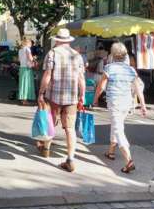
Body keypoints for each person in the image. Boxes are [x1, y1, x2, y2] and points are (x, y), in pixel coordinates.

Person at [94, 42, 147, 174]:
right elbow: (138, 89)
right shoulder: (131, 70)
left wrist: (95, 99)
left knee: (118, 129)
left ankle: (128, 160)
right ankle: (111, 152)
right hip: (127, 103)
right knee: (117, 125)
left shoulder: (109, 68)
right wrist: (143, 105)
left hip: (115, 102)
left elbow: (101, 86)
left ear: (112, 54)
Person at [38, 28, 85, 172]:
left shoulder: (52, 53)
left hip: (53, 96)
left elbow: (47, 75)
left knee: (51, 122)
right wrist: (82, 96)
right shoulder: (77, 55)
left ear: (57, 40)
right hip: (71, 97)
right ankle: (70, 159)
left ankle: (46, 148)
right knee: (70, 129)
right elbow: (81, 78)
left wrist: (41, 92)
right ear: (68, 41)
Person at [18, 39, 36, 105]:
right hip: (27, 68)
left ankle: (22, 98)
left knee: (22, 83)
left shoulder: (20, 50)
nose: (31, 45)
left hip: (22, 68)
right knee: (27, 83)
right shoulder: (27, 49)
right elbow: (30, 58)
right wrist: (34, 58)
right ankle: (25, 100)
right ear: (28, 43)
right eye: (30, 43)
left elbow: (19, 59)